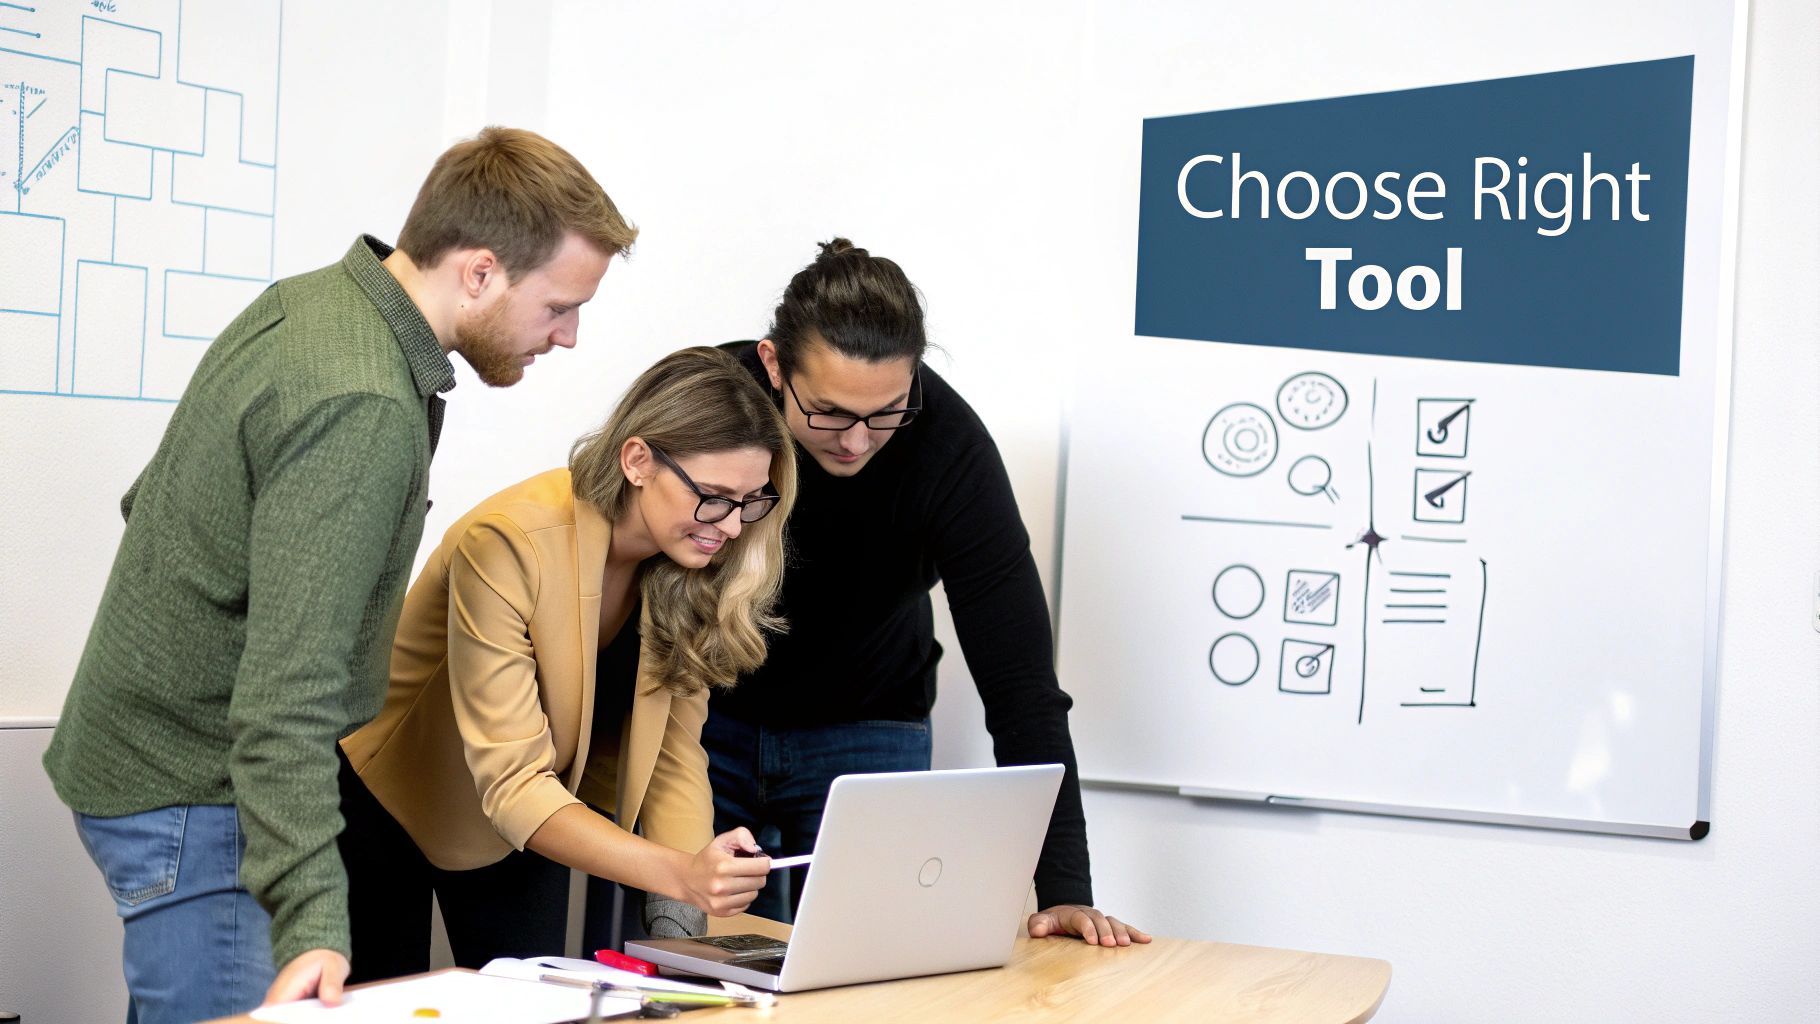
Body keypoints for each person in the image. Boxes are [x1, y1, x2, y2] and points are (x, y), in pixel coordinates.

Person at [41, 126, 633, 1023]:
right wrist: (317, 921)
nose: (570, 335)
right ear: (480, 272)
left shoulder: (317, 306)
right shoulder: (363, 401)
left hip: (159, 769)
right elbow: (288, 697)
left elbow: (155, 503)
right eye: (559, 306)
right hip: (200, 794)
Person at [703, 239, 1150, 946]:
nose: (856, 442)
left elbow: (1021, 684)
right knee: (685, 959)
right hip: (703, 715)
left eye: (886, 412)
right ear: (773, 366)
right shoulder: (704, 405)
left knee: (868, 963)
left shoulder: (949, 449)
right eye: (829, 412)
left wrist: (1065, 888)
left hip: (868, 719)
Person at [335, 347, 795, 981]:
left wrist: (685, 929)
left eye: (750, 501)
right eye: (714, 497)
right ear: (638, 461)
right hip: (389, 800)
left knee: (535, 1001)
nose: (734, 526)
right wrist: (682, 874)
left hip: (534, 808)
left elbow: (673, 759)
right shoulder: (509, 541)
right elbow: (512, 781)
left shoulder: (693, 562)